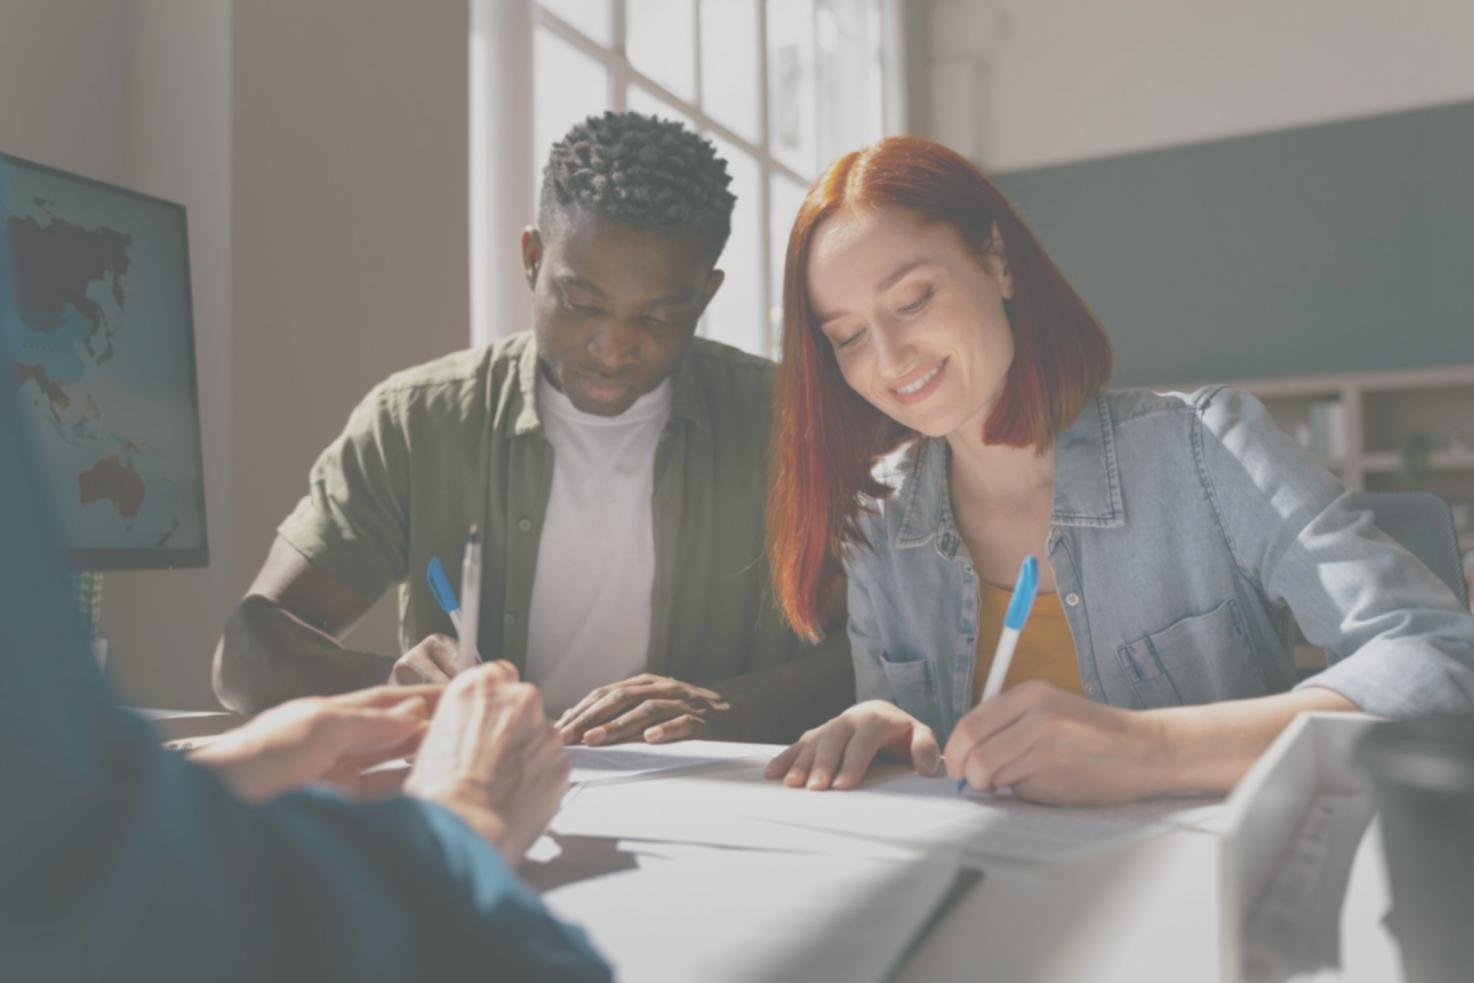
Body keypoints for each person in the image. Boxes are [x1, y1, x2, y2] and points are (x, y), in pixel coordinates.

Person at [761, 136, 1474, 803]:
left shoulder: (1206, 449)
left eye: (913, 298)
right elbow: (930, 778)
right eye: (849, 337)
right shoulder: (877, 517)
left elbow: (1439, 661)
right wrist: (886, 727)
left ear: (998, 261)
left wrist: (1151, 748)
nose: (888, 359)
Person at [213, 111, 851, 747]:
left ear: (705, 297)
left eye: (659, 317)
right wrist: (391, 687)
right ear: (532, 259)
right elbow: (246, 651)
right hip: (480, 799)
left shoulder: (789, 424)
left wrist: (726, 709)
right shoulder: (420, 422)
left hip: (727, 812)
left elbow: (882, 649)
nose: (613, 349)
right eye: (582, 303)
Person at [0, 346, 608, 976]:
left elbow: (47, 842)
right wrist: (464, 822)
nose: (613, 350)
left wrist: (211, 782)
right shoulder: (417, 416)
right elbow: (76, 910)